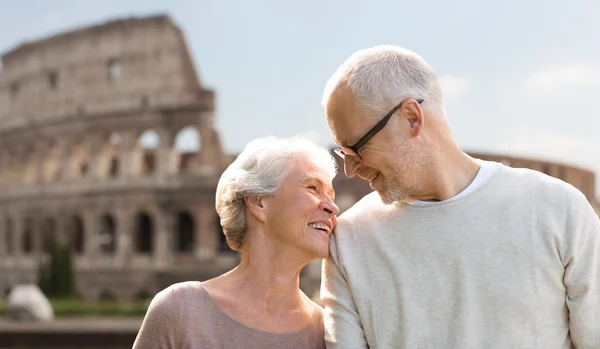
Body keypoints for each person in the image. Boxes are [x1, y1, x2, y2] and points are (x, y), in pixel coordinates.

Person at [319, 45, 600, 348]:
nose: (350, 169)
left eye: (355, 148)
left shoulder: (558, 210)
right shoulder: (347, 241)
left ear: (412, 118)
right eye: (342, 153)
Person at [132, 136, 339, 349]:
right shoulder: (180, 311)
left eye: (332, 196)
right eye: (313, 188)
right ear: (259, 203)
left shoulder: (328, 333)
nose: (333, 208)